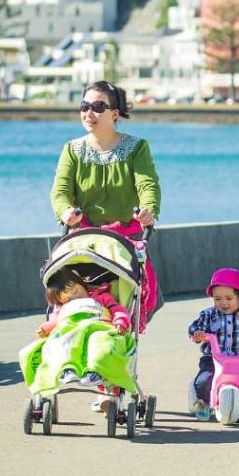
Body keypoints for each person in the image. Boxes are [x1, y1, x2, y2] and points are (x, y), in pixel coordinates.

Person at [49, 80, 161, 330]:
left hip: (124, 240)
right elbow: (61, 191)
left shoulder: (136, 148)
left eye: (98, 106)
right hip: (85, 238)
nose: (89, 113)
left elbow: (148, 185)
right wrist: (66, 211)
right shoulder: (72, 150)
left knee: (127, 296)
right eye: (84, 106)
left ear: (114, 114)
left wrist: (148, 209)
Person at [19, 265, 136, 410]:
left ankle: (96, 371)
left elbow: (117, 310)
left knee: (100, 342)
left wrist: (120, 321)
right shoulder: (63, 309)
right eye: (67, 299)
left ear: (81, 282)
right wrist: (46, 328)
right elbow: (56, 320)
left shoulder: (102, 297)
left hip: (98, 327)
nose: (74, 298)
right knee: (62, 341)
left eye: (75, 291)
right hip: (72, 330)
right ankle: (68, 368)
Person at [187, 266, 239, 422]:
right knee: (204, 380)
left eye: (229, 298)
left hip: (238, 361)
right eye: (218, 299)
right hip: (213, 359)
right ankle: (204, 402)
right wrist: (197, 333)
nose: (223, 303)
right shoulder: (209, 314)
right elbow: (196, 326)